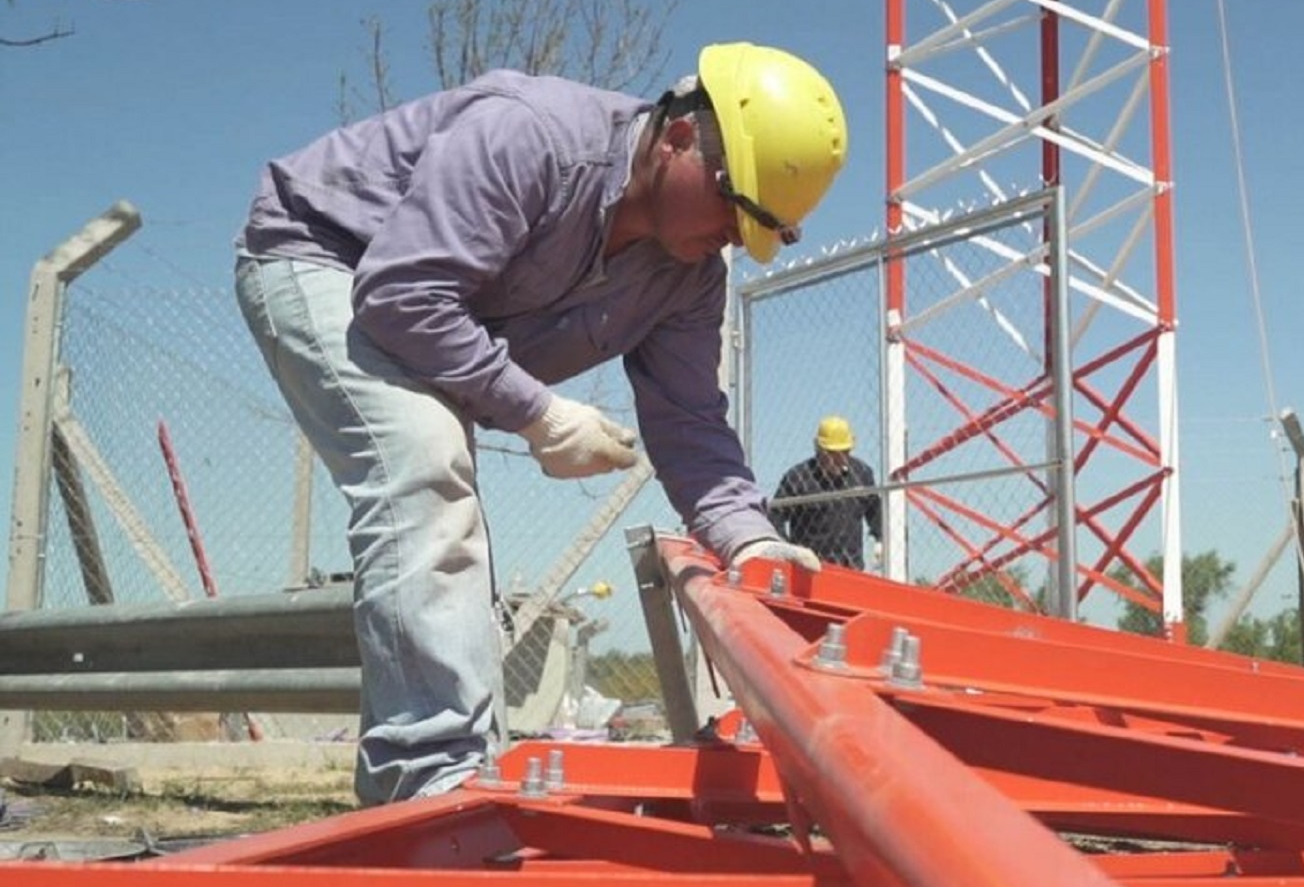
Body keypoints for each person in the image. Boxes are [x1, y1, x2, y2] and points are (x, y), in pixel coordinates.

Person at [233, 42, 846, 805]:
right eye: (734, 205)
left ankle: (466, 768)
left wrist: (749, 537)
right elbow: (404, 297)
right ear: (683, 136)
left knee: (446, 487)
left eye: (762, 230)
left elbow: (691, 425)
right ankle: (427, 785)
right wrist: (541, 414)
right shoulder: (532, 139)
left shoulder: (686, 276)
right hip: (329, 255)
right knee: (423, 458)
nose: (734, 236)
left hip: (417, 299)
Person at [770, 416, 883, 569]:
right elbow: (774, 516)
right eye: (834, 454)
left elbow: (875, 510)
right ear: (820, 450)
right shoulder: (798, 478)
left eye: (845, 452)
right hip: (811, 568)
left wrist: (880, 539)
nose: (841, 459)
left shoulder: (862, 473)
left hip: (851, 567)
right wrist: (789, 550)